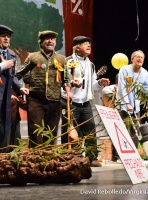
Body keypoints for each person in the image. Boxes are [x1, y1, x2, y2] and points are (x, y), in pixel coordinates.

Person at [16, 30, 72, 148]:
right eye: (47, 38)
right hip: (36, 100)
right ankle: (35, 159)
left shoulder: (62, 59)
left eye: (52, 39)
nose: (50, 41)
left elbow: (66, 78)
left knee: (51, 131)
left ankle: (49, 158)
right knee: (36, 130)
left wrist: (68, 92)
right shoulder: (33, 57)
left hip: (55, 100)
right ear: (41, 43)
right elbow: (19, 74)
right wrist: (20, 88)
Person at [61, 36, 110, 167]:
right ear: (77, 47)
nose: (89, 45)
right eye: (85, 44)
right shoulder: (68, 61)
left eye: (89, 43)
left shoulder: (91, 64)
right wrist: (67, 91)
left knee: (90, 130)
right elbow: (61, 81)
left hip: (85, 103)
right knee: (70, 132)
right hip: (71, 102)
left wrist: (100, 83)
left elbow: (91, 85)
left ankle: (91, 158)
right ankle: (70, 157)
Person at [0, 24, 29, 152]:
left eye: (8, 37)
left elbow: (12, 77)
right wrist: (1, 66)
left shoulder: (11, 54)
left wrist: (19, 88)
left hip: (6, 99)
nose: (6, 39)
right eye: (3, 36)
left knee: (6, 128)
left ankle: (4, 158)